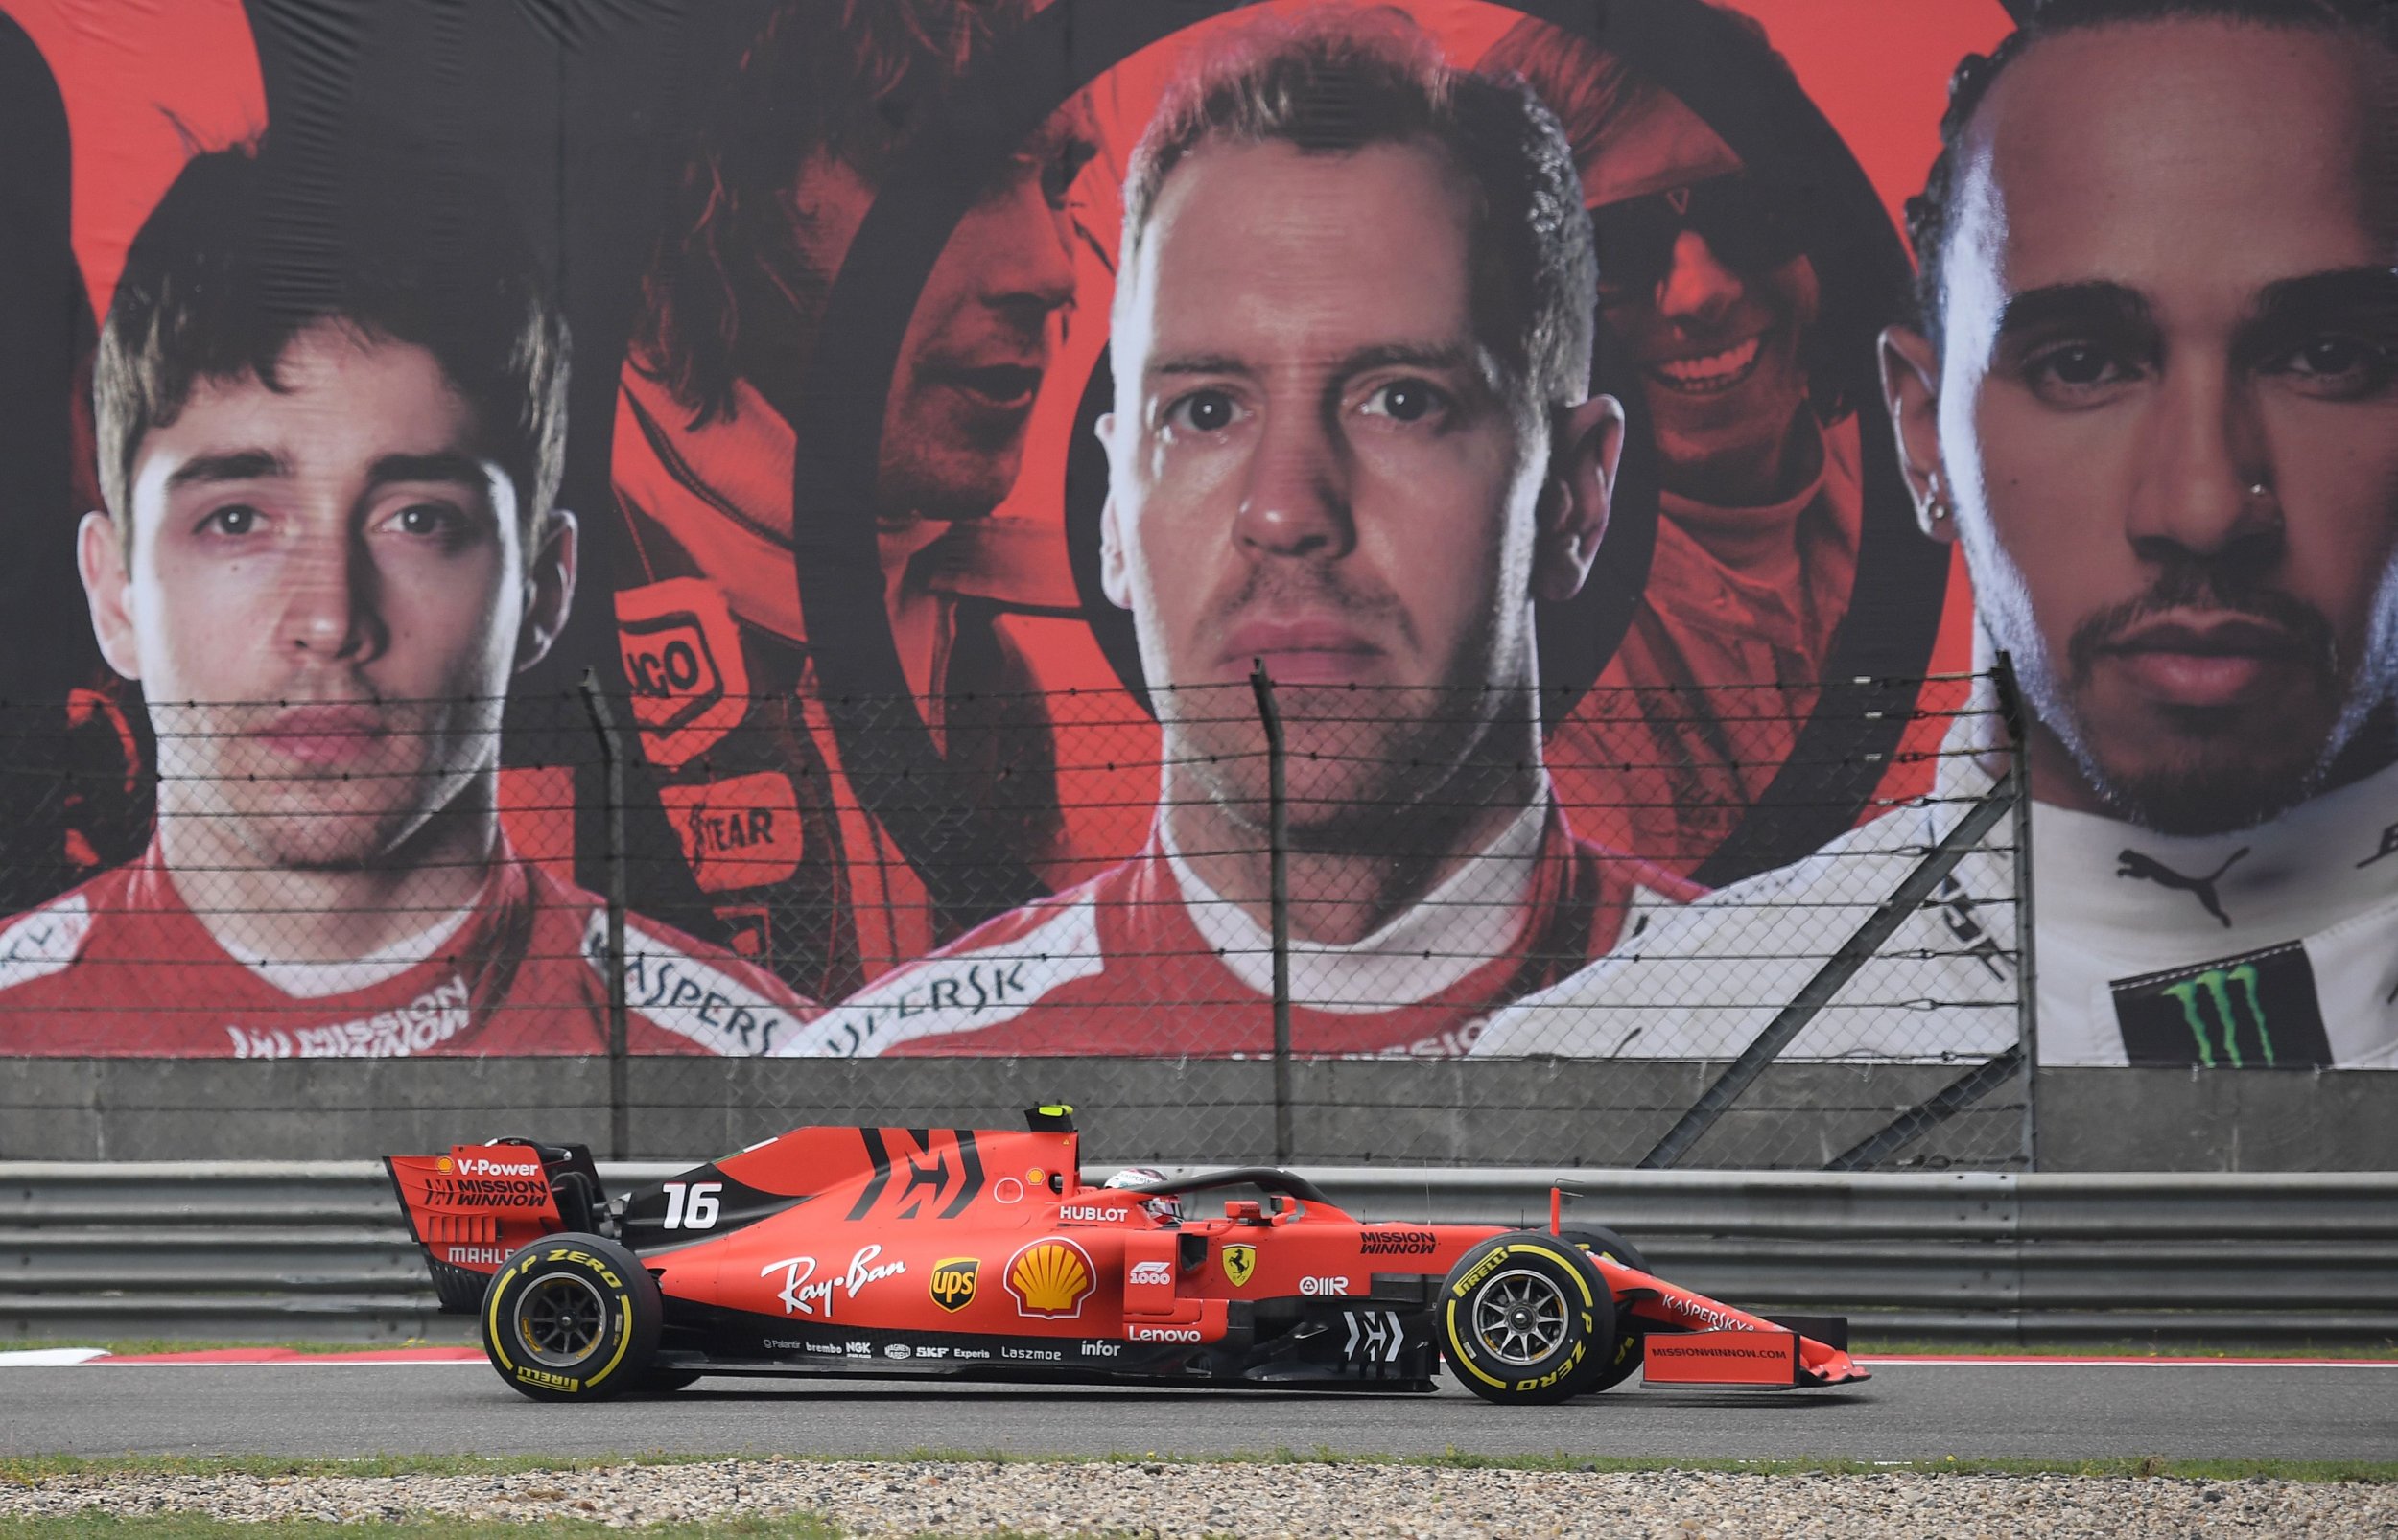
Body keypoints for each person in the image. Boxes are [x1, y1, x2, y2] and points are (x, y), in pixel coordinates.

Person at [1475, 0, 2398, 1070]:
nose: (2201, 507)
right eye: (2083, 365)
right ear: (1921, 432)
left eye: (2328, 355)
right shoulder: (1608, 1081)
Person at [780, 12, 1698, 1060]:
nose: (1286, 511)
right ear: (1114, 519)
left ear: (1574, 496)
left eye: (1401, 401)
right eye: (1207, 411)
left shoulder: (1813, 1038)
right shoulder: (881, 1099)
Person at [0, 142, 816, 1057]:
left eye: (418, 520)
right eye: (236, 520)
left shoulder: (757, 1069)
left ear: (544, 588)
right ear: (113, 593)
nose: (331, 620)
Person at [612, 0, 1096, 999]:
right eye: (944, 173)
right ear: (727, 178)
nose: (1048, 268)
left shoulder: (987, 672)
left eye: (1059, 179)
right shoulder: (541, 595)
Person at [1481, 11, 1869, 872]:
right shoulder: (1528, 641)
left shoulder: (1919, 491)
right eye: (1619, 244)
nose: (1703, 290)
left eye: (1753, 213)